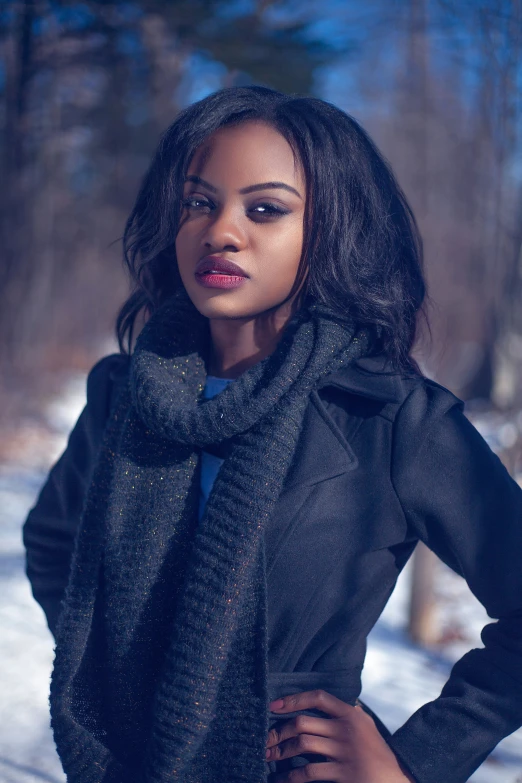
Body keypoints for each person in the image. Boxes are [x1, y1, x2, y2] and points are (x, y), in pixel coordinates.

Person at [22, 85, 522, 783]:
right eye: (199, 202)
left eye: (266, 209)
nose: (222, 231)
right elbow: (52, 541)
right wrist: (104, 670)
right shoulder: (123, 392)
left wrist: (413, 765)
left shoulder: (392, 419)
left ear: (331, 231)